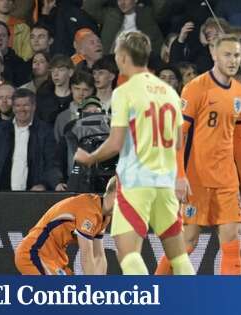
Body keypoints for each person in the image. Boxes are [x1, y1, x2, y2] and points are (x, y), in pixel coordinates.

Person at [74, 31, 194, 275]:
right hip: (165, 181)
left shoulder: (125, 92)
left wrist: (90, 157)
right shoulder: (170, 92)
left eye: (118, 52)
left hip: (136, 182)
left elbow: (115, 143)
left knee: (128, 255)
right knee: (179, 257)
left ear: (124, 57)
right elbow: (180, 139)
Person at [154, 34, 241, 275]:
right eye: (227, 54)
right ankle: (153, 289)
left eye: (237, 55)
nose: (232, 60)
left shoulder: (240, 92)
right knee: (188, 240)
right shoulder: (196, 88)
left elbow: (240, 137)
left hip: (227, 179)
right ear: (214, 55)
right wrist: (179, 175)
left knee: (232, 236)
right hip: (196, 177)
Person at [14, 177, 115, 275]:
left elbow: (99, 256)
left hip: (56, 259)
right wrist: (93, 288)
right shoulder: (89, 209)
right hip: (34, 253)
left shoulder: (104, 216)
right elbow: (86, 257)